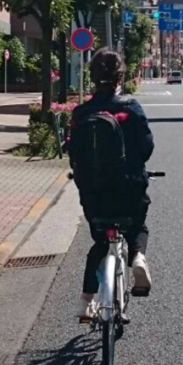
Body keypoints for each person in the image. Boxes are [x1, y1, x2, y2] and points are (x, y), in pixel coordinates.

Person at [68, 48, 155, 321]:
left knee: (99, 240)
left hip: (94, 193)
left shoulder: (82, 112)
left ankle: (85, 302)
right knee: (137, 226)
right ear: (121, 77)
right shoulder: (130, 108)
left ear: (92, 78)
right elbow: (146, 148)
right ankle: (138, 257)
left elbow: (74, 153)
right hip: (129, 189)